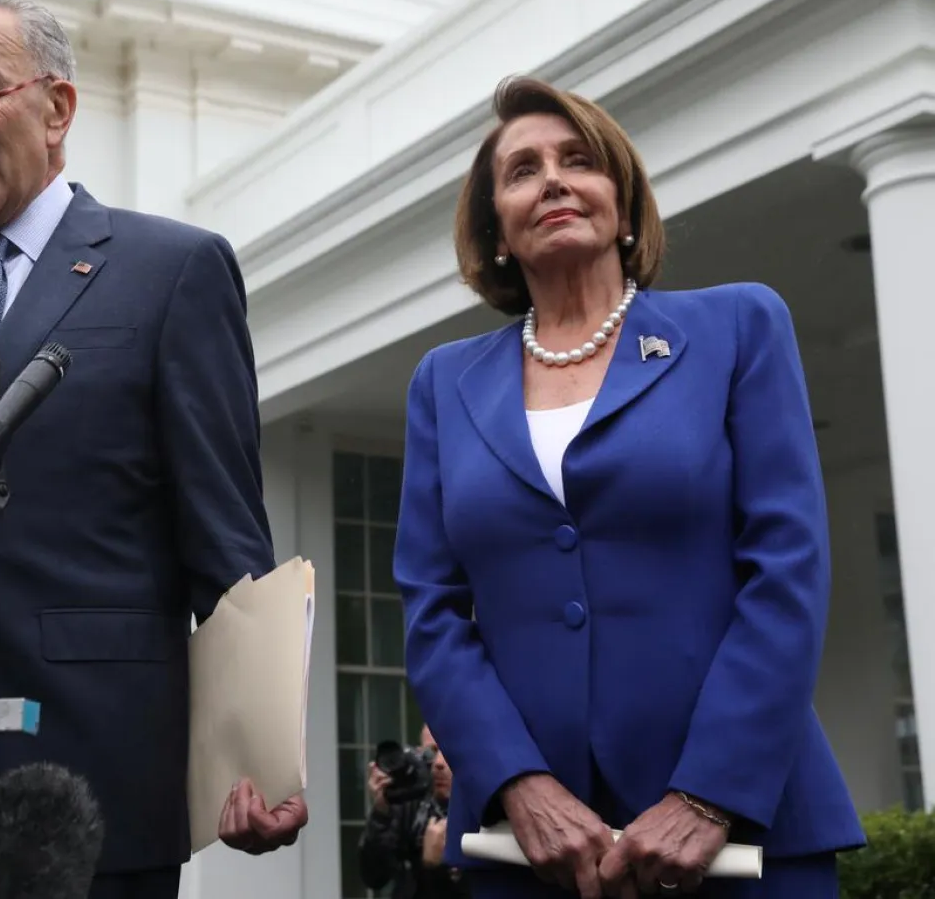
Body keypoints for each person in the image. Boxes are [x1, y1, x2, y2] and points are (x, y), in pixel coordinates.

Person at [0, 0, 307, 899]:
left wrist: (263, 757)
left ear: (58, 108)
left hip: (86, 780)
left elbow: (227, 540)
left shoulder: (172, 270)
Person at [391, 76, 866, 899]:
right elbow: (431, 609)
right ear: (496, 228)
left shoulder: (740, 328)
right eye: (522, 170)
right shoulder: (443, 383)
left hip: (740, 835)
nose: (553, 180)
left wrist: (706, 793)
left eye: (579, 160)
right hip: (529, 853)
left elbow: (786, 570)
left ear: (624, 200)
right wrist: (517, 784)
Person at [360, 725, 470, 899]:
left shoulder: (488, 809)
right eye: (431, 752)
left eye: (450, 751)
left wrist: (438, 867)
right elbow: (375, 876)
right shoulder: (413, 801)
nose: (438, 763)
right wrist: (381, 814)